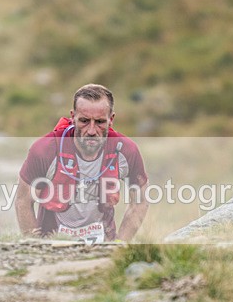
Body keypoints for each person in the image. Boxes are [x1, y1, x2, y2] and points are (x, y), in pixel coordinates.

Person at [15, 84, 148, 243]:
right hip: (52, 244)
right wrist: (35, 245)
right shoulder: (46, 149)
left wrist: (119, 244)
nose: (91, 130)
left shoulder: (126, 151)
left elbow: (140, 202)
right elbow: (23, 201)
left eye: (100, 122)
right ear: (73, 117)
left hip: (103, 243)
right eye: (84, 121)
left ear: (111, 119)